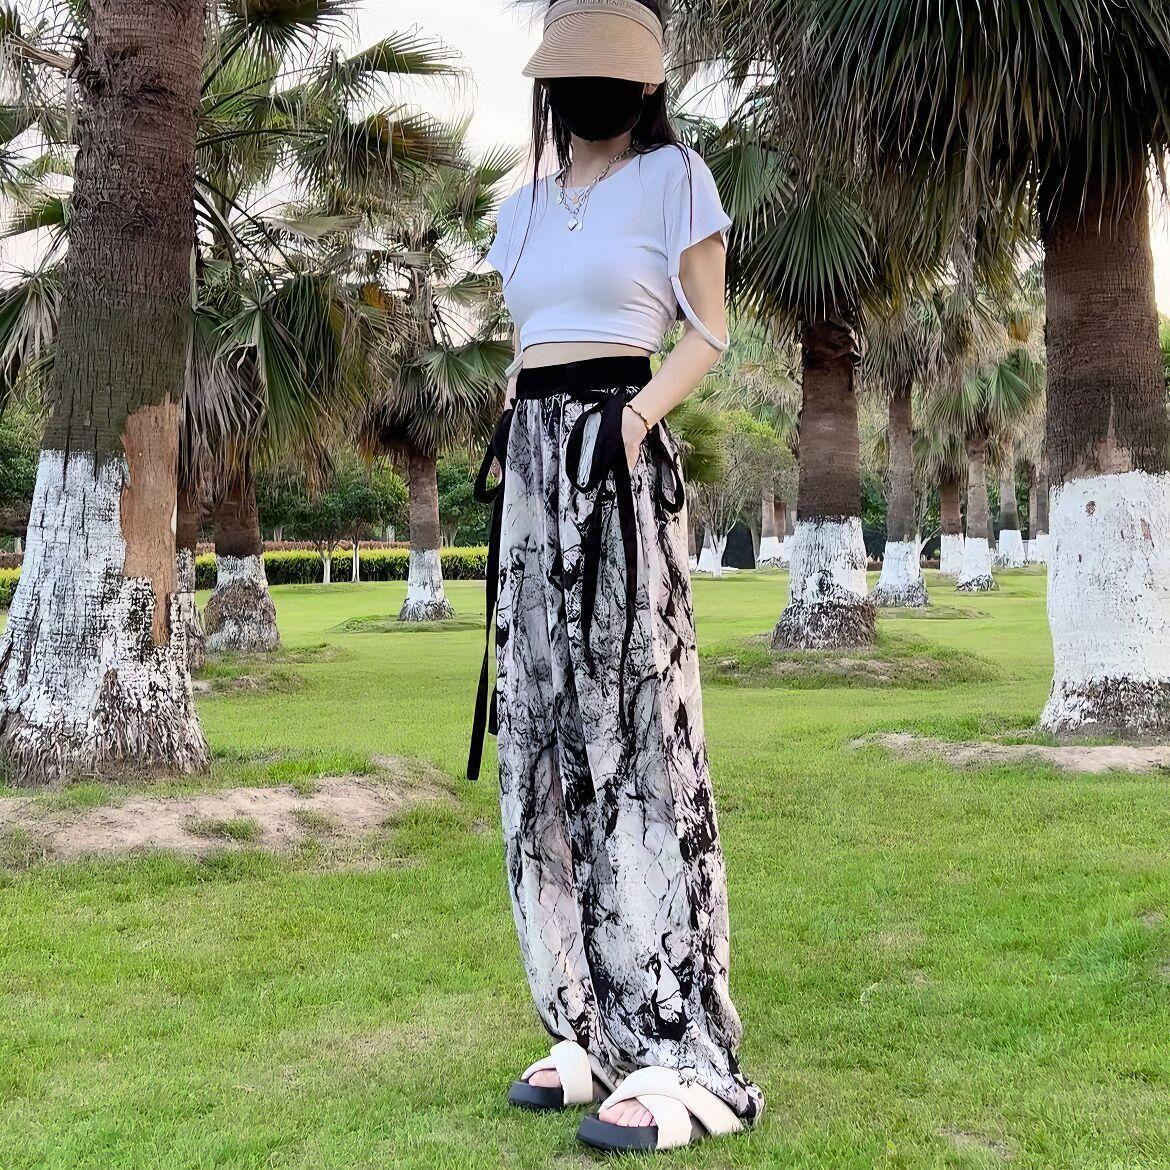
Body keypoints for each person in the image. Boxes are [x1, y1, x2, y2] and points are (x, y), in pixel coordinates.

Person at [468, 0, 763, 1153]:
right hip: (533, 480)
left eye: (613, 76)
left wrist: (633, 423)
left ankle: (683, 1053)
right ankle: (580, 1023)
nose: (593, 92)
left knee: (639, 748)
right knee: (538, 750)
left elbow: (708, 331)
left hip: (616, 464)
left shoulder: (676, 179)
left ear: (645, 86)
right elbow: (526, 348)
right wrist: (517, 448)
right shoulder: (521, 210)